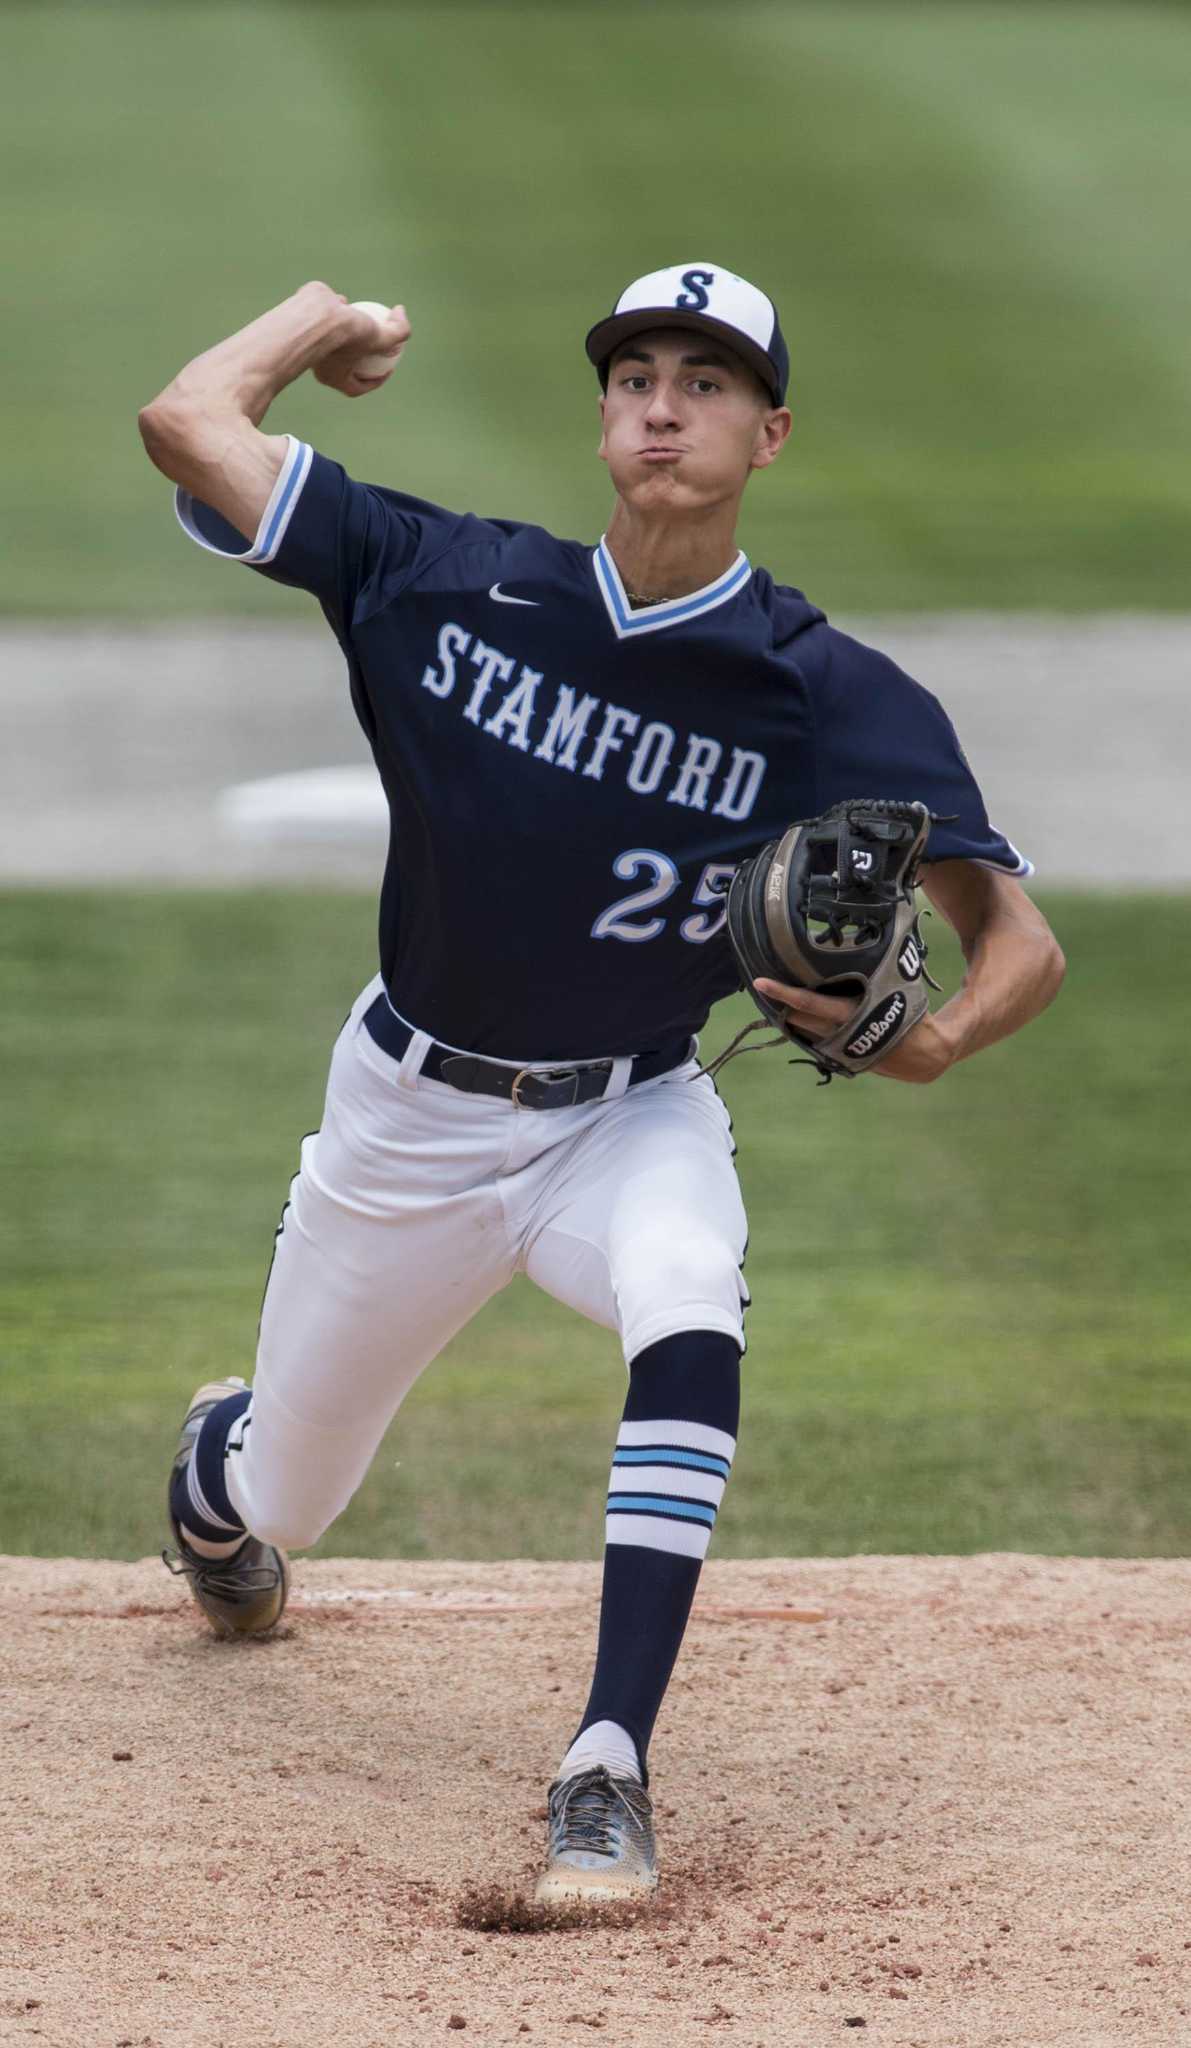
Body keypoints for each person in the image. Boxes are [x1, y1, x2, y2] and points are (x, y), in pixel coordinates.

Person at [138, 263, 1064, 1906]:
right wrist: (321, 322)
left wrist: (930, 1043)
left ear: (767, 435)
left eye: (705, 382)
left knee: (691, 1287)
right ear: (602, 417)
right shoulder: (446, 578)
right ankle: (218, 1485)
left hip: (628, 1115)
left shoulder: (833, 695)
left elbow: (1021, 946)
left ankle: (606, 1768)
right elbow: (188, 424)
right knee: (288, 1488)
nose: (661, 402)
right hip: (404, 1126)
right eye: (635, 373)